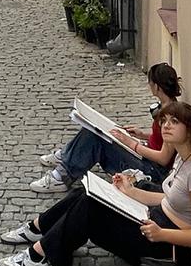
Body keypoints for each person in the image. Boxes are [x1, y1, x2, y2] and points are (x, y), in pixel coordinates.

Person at [0, 101, 191, 266]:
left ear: (190, 131)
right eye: (164, 121)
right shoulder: (183, 158)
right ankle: (39, 228)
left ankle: (37, 257)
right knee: (84, 192)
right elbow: (167, 199)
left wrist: (161, 234)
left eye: (174, 122)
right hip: (154, 221)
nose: (165, 126)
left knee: (90, 207)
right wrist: (129, 192)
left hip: (166, 247)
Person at [30, 63, 182, 193]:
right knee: (93, 129)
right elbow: (163, 140)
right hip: (147, 158)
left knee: (95, 138)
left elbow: (163, 158)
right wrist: (142, 134)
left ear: (157, 86)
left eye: (150, 83)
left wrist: (131, 143)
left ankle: (61, 177)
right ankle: (66, 156)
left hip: (151, 170)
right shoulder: (168, 106)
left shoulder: (169, 116)